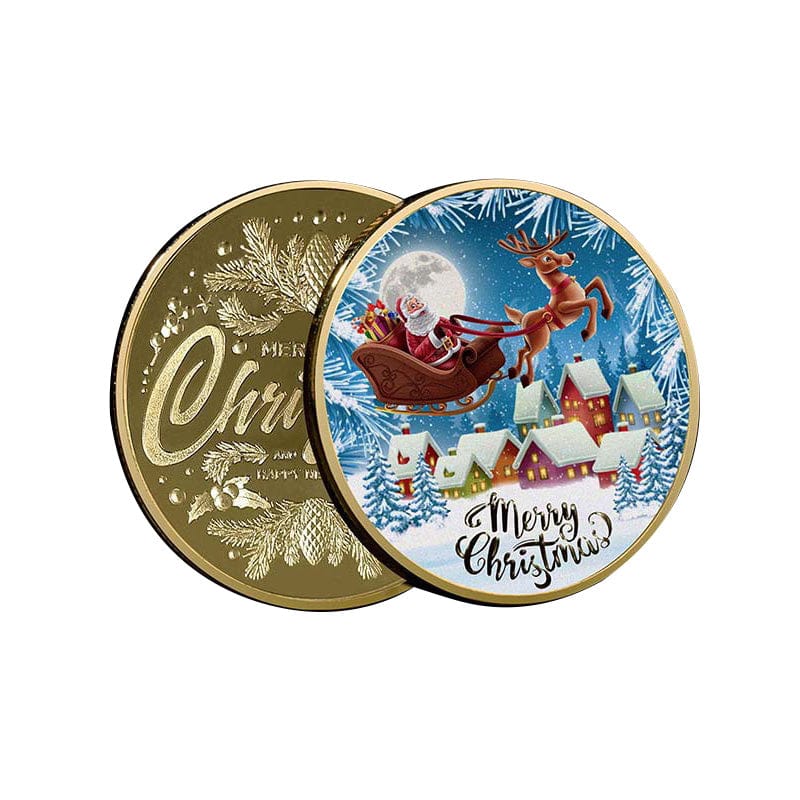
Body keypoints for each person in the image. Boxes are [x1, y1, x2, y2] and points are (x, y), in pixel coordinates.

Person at [395, 293, 463, 369]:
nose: (419, 306)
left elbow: (450, 326)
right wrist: (433, 338)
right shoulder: (412, 331)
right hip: (438, 359)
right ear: (407, 313)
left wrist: (454, 325)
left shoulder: (434, 317)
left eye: (418, 302)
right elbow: (417, 355)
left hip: (454, 346)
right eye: (413, 306)